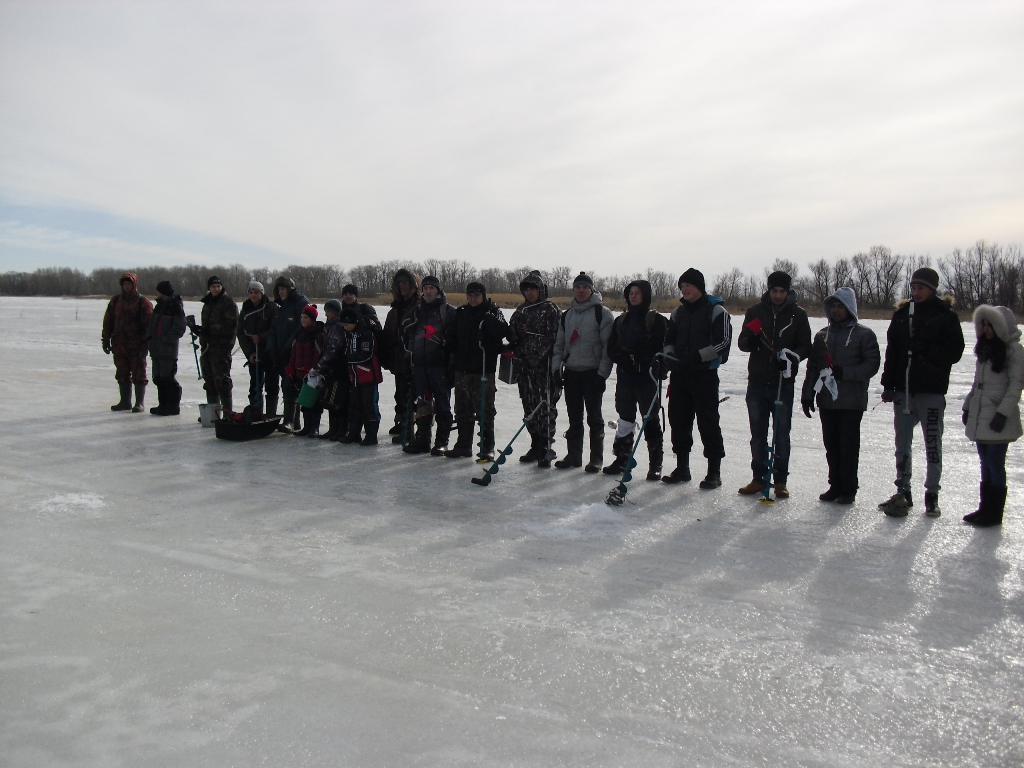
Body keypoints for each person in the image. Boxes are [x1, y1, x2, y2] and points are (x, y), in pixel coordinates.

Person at [877, 267, 965, 517]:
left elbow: (954, 352)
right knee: (902, 444)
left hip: (931, 391)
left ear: (933, 289)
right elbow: (893, 351)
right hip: (904, 391)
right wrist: (888, 385)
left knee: (932, 444)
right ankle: (903, 490)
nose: (916, 292)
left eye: (921, 288)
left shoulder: (945, 316)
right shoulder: (903, 314)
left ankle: (932, 494)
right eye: (914, 288)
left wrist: (925, 349)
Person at [800, 288, 880, 504]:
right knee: (831, 446)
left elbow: (871, 365)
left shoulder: (864, 335)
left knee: (848, 447)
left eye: (841, 307)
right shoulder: (822, 336)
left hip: (851, 401)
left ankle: (848, 488)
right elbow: (814, 367)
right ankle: (834, 485)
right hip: (827, 401)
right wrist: (808, 395)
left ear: (850, 309)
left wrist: (846, 373)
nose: (836, 311)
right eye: (833, 306)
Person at [736, 270, 811, 499]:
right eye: (774, 290)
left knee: (781, 434)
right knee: (758, 434)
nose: (778, 295)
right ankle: (759, 478)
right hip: (757, 382)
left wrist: (790, 357)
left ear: (788, 292)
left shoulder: (798, 315)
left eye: (782, 291)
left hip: (783, 383)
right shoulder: (755, 311)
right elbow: (742, 342)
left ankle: (780, 481)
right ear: (768, 290)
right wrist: (751, 340)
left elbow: (805, 346)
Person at [661, 269, 732, 488]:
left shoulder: (716, 311)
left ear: (699, 287)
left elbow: (724, 343)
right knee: (679, 421)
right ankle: (682, 468)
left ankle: (714, 472)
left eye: (688, 285)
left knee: (708, 423)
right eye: (682, 286)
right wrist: (670, 357)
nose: (685, 289)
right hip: (680, 376)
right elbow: (668, 340)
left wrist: (699, 356)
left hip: (705, 376)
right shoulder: (677, 313)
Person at [961, 305, 1022, 527]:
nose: (986, 329)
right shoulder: (985, 350)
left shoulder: (1013, 351)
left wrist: (1002, 414)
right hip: (981, 416)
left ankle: (995, 514)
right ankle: (985, 508)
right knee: (985, 463)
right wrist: (968, 407)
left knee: (995, 463)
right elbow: (977, 384)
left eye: (991, 324)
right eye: (983, 324)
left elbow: (1015, 386)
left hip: (997, 418)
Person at [604, 279, 668, 480]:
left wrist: (650, 361)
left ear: (646, 295)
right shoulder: (621, 320)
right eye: (631, 292)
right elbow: (611, 347)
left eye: (637, 293)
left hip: (647, 378)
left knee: (650, 419)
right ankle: (622, 458)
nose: (633, 296)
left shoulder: (657, 320)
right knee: (624, 418)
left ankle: (655, 463)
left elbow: (663, 347)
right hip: (625, 376)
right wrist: (622, 358)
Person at [551, 272, 614, 472]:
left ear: (591, 290)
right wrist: (556, 368)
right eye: (577, 287)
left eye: (584, 287)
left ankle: (596, 458)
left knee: (594, 417)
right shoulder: (567, 315)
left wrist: (602, 374)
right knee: (574, 417)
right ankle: (574, 456)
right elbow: (559, 345)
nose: (580, 290)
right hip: (571, 372)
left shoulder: (602, 313)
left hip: (592, 373)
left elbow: (608, 348)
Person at [443, 281, 509, 459]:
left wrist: (490, 320)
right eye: (470, 295)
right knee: (462, 408)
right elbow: (451, 334)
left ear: (483, 296)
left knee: (485, 409)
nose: (473, 299)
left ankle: (488, 446)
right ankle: (463, 445)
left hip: (483, 370)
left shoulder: (493, 312)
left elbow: (504, 331)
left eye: (477, 295)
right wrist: (448, 343)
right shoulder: (461, 313)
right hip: (462, 369)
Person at [506, 270, 562, 468]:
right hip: (524, 368)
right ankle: (535, 443)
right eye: (526, 289)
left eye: (533, 289)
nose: (529, 293)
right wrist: (512, 338)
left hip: (543, 368)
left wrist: (539, 355)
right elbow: (512, 333)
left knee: (545, 406)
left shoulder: (550, 309)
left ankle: (546, 446)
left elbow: (555, 337)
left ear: (541, 290)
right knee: (528, 405)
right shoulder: (521, 310)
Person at [402, 275, 457, 455]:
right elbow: (408, 333)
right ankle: (423, 440)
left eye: (431, 288)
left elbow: (455, 337)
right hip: (420, 365)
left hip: (439, 366)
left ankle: (442, 442)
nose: (428, 291)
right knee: (423, 404)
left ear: (438, 290)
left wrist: (448, 346)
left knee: (442, 404)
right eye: (425, 288)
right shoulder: (418, 310)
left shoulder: (447, 311)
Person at [102, 272, 153, 412]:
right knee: (122, 373)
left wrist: (145, 345)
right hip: (119, 344)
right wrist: (106, 339)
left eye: (129, 284)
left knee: (139, 374)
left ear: (134, 285)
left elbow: (148, 326)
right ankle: (125, 401)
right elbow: (108, 322)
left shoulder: (143, 302)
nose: (126, 286)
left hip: (136, 345)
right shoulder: (115, 301)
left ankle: (139, 403)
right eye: (124, 284)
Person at [381, 269, 421, 442]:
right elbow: (388, 333)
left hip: (414, 357)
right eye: (401, 284)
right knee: (400, 393)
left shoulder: (419, 306)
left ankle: (415, 426)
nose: (403, 286)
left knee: (416, 395)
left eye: (407, 283)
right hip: (398, 358)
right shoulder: (395, 308)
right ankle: (401, 422)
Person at [266, 276, 310, 432]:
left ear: (290, 288)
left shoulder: (300, 303)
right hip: (279, 352)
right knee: (282, 384)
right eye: (278, 289)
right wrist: (271, 349)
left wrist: (287, 347)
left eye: (283, 288)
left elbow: (301, 327)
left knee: (290, 384)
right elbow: (272, 330)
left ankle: (291, 421)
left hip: (294, 353)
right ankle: (290, 421)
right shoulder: (280, 307)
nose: (281, 291)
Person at [189, 275, 238, 415]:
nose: (216, 289)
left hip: (221, 347)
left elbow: (231, 325)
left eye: (218, 286)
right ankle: (213, 413)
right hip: (207, 347)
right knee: (209, 380)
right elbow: (207, 326)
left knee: (222, 380)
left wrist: (209, 330)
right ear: (209, 288)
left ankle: (227, 413)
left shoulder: (228, 303)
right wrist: (199, 330)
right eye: (213, 287)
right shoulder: (208, 303)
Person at [338, 306, 384, 446]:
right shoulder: (349, 333)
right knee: (355, 406)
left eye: (347, 324)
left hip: (368, 376)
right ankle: (354, 433)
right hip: (355, 376)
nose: (345, 327)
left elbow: (366, 354)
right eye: (343, 325)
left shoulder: (366, 333)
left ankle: (371, 435)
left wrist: (347, 358)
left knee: (369, 406)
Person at [236, 280, 279, 416]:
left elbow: (275, 329)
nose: (253, 295)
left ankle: (271, 415)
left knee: (272, 386)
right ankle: (256, 414)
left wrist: (261, 337)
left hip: (270, 353)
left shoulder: (272, 308)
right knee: (255, 386)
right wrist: (249, 353)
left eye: (256, 292)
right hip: (254, 355)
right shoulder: (245, 310)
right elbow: (241, 334)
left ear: (262, 293)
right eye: (251, 292)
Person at [310, 298, 349, 440]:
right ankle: (334, 429)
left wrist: (320, 366)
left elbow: (332, 350)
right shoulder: (330, 326)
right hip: (331, 369)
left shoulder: (337, 327)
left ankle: (341, 429)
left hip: (338, 368)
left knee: (338, 401)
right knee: (331, 401)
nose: (326, 313)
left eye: (329, 310)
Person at [146, 280, 187, 416]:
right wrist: (150, 339)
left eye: (158, 291)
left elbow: (179, 328)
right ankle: (163, 405)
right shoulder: (159, 306)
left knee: (167, 378)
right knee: (158, 378)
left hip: (168, 350)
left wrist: (165, 340)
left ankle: (173, 406)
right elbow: (152, 325)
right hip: (156, 349)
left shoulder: (176, 307)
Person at [286, 305, 325, 437]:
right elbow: (293, 353)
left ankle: (314, 427)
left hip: (313, 373)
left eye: (306, 318)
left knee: (314, 401)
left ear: (312, 319)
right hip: (300, 372)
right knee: (304, 401)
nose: (303, 320)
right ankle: (306, 427)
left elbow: (318, 354)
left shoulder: (318, 334)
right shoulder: (299, 333)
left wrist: (315, 369)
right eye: (302, 317)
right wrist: (291, 368)